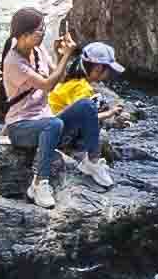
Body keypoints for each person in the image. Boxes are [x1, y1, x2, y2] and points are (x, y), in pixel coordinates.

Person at [16, 39, 129, 196]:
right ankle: (91, 161)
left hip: (47, 128)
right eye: (107, 70)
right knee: (90, 107)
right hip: (53, 134)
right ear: (97, 68)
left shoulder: (72, 80)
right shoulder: (81, 88)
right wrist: (109, 114)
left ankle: (89, 160)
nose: (109, 74)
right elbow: (87, 118)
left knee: (96, 104)